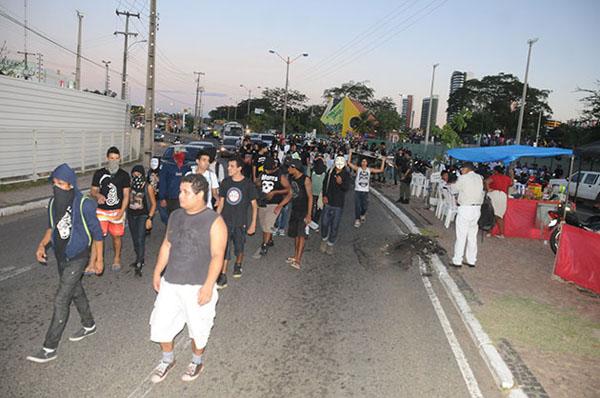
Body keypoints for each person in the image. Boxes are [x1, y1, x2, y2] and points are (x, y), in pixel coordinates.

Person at [149, 173, 227, 383]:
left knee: (199, 328)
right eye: (180, 191)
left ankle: (196, 360)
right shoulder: (175, 216)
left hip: (198, 285)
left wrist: (208, 286)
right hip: (171, 282)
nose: (180, 196)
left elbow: (218, 256)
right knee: (160, 324)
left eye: (185, 192)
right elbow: (167, 244)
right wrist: (158, 271)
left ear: (200, 194)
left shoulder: (215, 221)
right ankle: (167, 359)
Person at [27, 164, 103, 363]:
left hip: (78, 256)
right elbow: (51, 228)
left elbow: (97, 234)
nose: (56, 187)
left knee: (61, 299)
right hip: (62, 256)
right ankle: (89, 325)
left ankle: (49, 348)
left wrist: (98, 260)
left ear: (70, 185)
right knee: (75, 291)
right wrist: (42, 245)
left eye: (60, 183)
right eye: (54, 183)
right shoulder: (53, 203)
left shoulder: (84, 204)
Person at [216, 157, 258, 287]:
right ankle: (222, 274)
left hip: (240, 222)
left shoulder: (248, 184)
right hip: (225, 222)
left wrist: (253, 223)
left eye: (232, 166)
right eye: (228, 166)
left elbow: (254, 205)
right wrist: (215, 220)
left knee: (239, 247)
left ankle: (238, 264)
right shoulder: (225, 182)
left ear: (239, 168)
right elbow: (221, 203)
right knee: (224, 248)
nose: (228, 168)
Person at [88, 146, 130, 273]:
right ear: (107, 158)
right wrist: (98, 195)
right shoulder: (99, 173)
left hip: (117, 211)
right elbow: (93, 190)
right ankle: (92, 263)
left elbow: (126, 195)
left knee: (116, 237)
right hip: (102, 211)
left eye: (117, 158)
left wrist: (122, 212)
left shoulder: (124, 175)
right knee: (97, 236)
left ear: (120, 159)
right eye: (112, 158)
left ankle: (117, 258)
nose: (114, 161)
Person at [254, 157, 291, 258]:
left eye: (267, 169)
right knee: (263, 224)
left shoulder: (280, 175)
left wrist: (275, 192)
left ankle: (264, 245)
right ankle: (269, 240)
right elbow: (258, 182)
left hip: (274, 203)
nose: (266, 171)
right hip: (262, 202)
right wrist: (258, 183)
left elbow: (288, 189)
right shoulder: (263, 173)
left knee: (267, 224)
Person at [451, 162, 484, 268]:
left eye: (462, 169)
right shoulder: (479, 178)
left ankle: (457, 260)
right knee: (472, 236)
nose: (461, 171)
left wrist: (454, 181)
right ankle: (471, 260)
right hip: (477, 209)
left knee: (461, 235)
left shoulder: (463, 178)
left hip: (465, 208)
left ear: (466, 169)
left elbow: (453, 189)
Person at [127, 165, 157, 276]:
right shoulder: (130, 186)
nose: (136, 176)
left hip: (143, 216)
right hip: (131, 215)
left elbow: (154, 204)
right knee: (135, 239)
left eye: (138, 174)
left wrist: (149, 218)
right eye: (134, 174)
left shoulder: (147, 187)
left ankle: (139, 263)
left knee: (140, 239)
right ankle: (139, 258)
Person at [320, 155, 351, 255]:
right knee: (324, 223)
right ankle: (324, 239)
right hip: (328, 202)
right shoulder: (330, 172)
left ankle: (330, 243)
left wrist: (341, 183)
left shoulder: (346, 174)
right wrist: (324, 195)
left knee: (334, 226)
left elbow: (346, 188)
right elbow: (325, 184)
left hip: (338, 204)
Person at [347, 149, 386, 228]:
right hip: (358, 190)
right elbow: (349, 163)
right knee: (357, 205)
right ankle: (357, 219)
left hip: (365, 191)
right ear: (361, 163)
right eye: (362, 161)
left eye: (365, 161)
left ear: (367, 163)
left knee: (364, 206)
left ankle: (362, 214)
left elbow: (381, 170)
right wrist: (350, 152)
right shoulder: (358, 169)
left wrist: (383, 160)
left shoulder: (369, 170)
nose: (364, 163)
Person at [285, 159, 313, 269]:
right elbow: (291, 193)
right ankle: (295, 256)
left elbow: (310, 197)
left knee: (301, 235)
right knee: (296, 234)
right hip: (295, 209)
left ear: (294, 168)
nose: (288, 169)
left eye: (289, 167)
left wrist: (309, 214)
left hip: (304, 211)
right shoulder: (291, 177)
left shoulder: (306, 180)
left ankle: (298, 260)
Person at [159, 146, 193, 218]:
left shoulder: (187, 167)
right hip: (170, 199)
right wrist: (162, 198)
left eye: (183, 153)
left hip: (183, 198)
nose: (182, 155)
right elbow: (162, 183)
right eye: (180, 153)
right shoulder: (167, 166)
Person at [485, 165, 513, 238]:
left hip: (494, 194)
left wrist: (488, 189)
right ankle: (501, 234)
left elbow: (486, 182)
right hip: (503, 196)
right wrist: (511, 175)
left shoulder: (494, 176)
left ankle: (489, 232)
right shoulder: (507, 178)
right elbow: (511, 184)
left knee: (491, 214)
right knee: (499, 216)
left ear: (496, 171)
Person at [309, 157, 327, 231]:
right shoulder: (324, 173)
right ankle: (314, 222)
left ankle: (311, 221)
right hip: (320, 194)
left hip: (312, 192)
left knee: (311, 208)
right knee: (319, 209)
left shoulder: (312, 172)